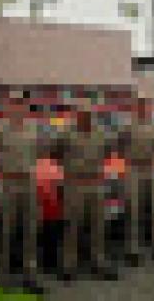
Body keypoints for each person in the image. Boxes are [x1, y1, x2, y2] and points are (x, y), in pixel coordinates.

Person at [0, 100, 45, 292]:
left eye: (22, 105)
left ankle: (30, 274)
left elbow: (40, 150)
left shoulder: (33, 129)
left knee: (30, 230)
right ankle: (2, 275)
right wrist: (0, 165)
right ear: (8, 107)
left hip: (28, 183)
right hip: (8, 183)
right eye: (15, 104)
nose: (18, 108)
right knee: (5, 230)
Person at [56, 106, 118, 281]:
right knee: (72, 225)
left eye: (89, 114)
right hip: (74, 184)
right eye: (83, 113)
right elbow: (56, 153)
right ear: (77, 114)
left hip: (95, 183)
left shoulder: (101, 133)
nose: (86, 116)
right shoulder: (66, 133)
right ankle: (69, 265)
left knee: (98, 225)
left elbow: (107, 152)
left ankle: (98, 262)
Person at [119, 101, 154, 263]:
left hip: (152, 168)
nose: (143, 108)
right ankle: (133, 248)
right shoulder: (127, 127)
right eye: (139, 105)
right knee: (134, 210)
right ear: (135, 108)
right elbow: (119, 146)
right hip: (134, 169)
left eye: (145, 105)